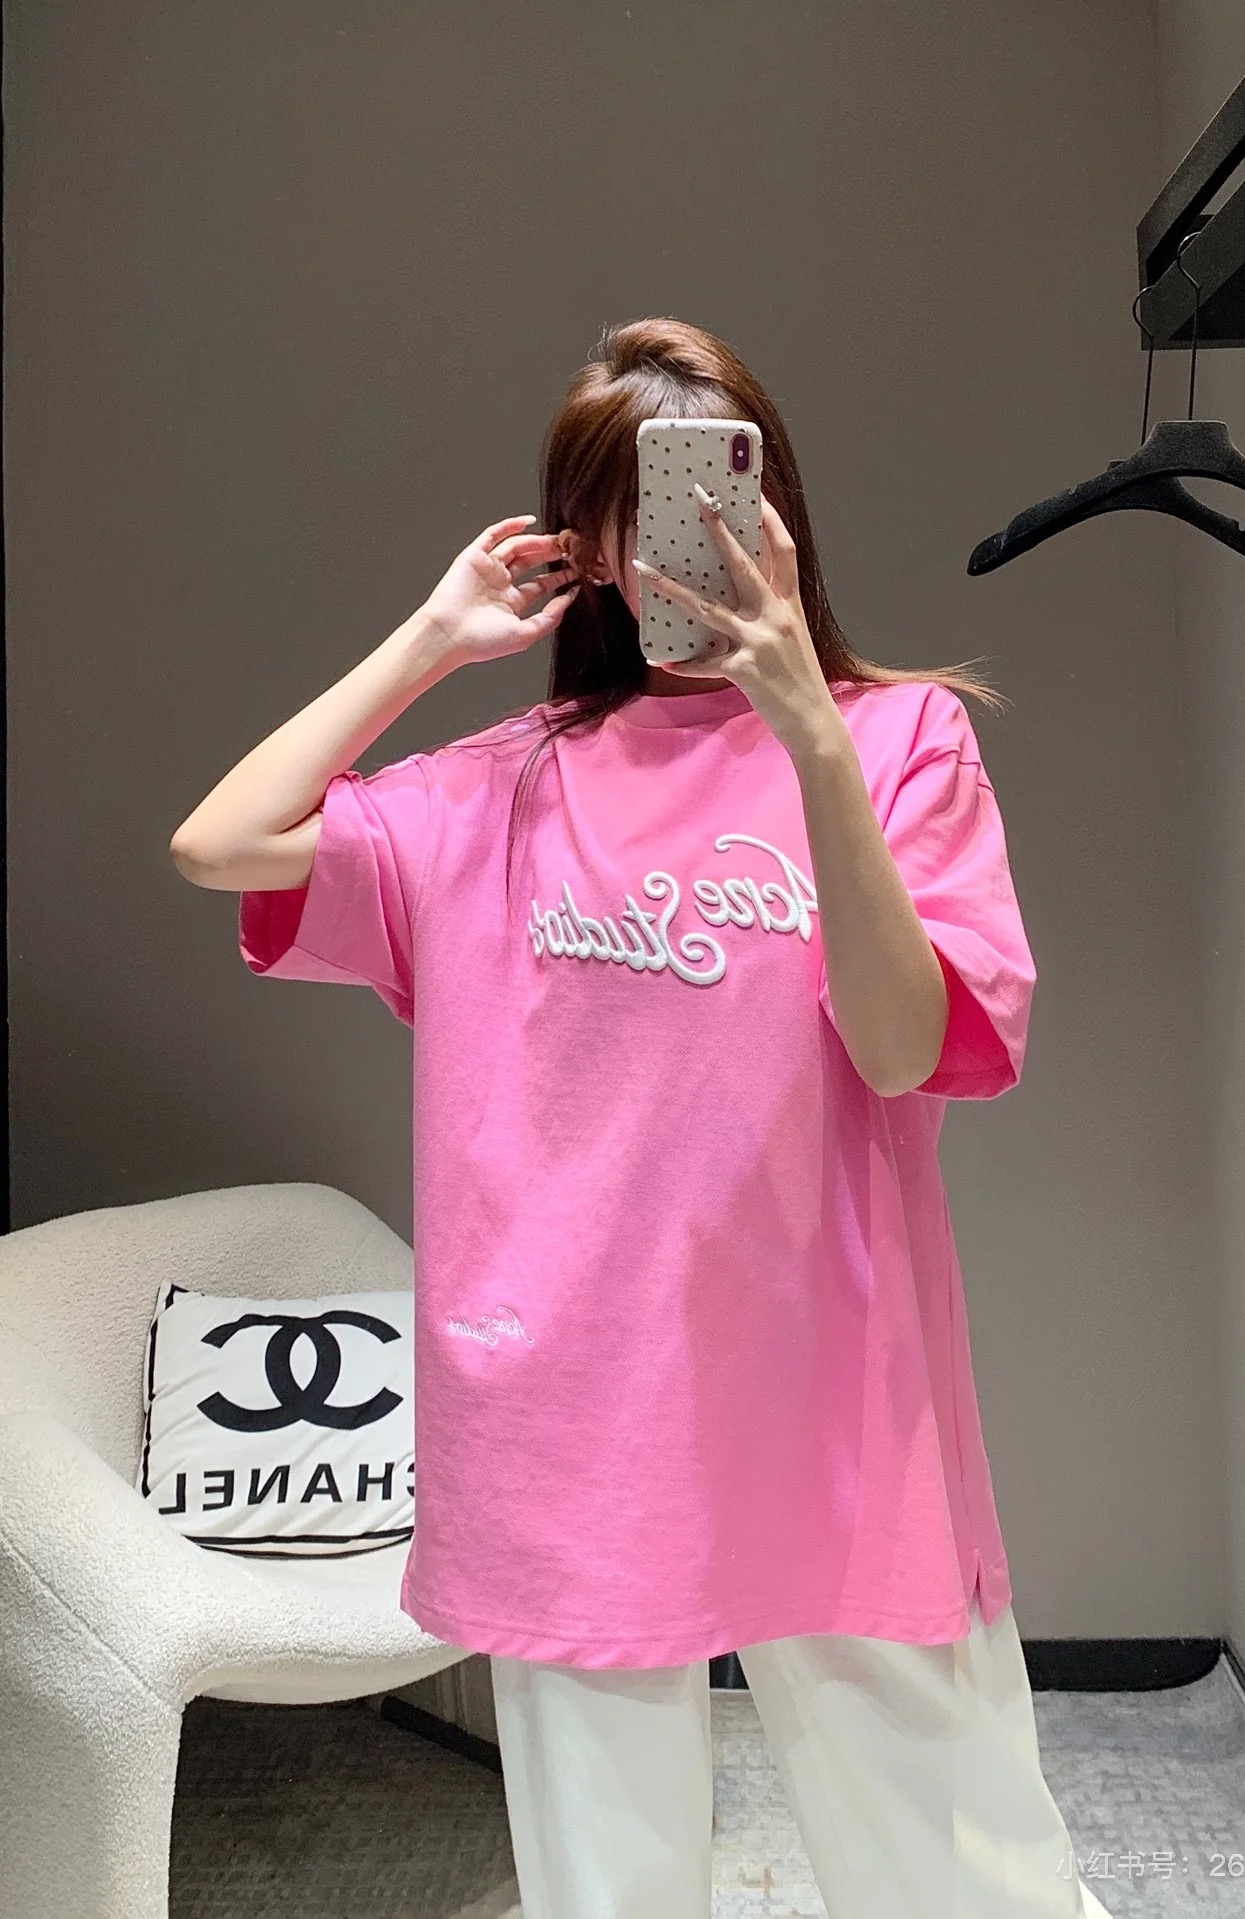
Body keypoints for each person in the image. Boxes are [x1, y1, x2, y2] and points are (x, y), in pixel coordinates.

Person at [172, 317, 1114, 1919]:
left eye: (718, 493)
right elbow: (220, 845)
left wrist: (807, 727)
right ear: (590, 547)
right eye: (635, 511)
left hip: (835, 1401)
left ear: (777, 509)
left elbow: (901, 1051)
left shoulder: (900, 745)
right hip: (571, 1425)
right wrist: (430, 641)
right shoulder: (500, 785)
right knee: (612, 1892)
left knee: (967, 1880)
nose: (682, 542)